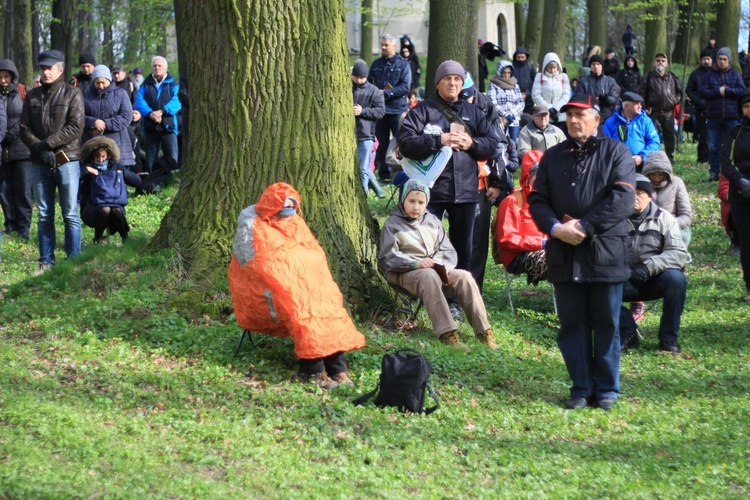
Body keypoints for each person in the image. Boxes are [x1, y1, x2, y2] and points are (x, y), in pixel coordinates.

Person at [528, 93, 636, 411]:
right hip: (564, 254)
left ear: (596, 119)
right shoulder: (553, 156)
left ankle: (606, 390)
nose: (573, 120)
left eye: (580, 114)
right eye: (569, 115)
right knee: (571, 324)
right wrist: (554, 228)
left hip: (604, 253)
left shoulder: (617, 152)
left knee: (606, 322)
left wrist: (585, 226)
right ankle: (580, 388)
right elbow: (538, 200)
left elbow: (622, 200)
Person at [228, 183, 366, 389]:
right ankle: (311, 370)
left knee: (328, 303)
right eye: (282, 215)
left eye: (290, 214)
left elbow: (312, 252)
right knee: (302, 307)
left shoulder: (294, 221)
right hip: (263, 292)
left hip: (302, 283)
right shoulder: (253, 225)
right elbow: (256, 263)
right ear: (271, 210)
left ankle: (336, 367)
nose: (287, 219)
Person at [398, 60, 498, 289]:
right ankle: (429, 292)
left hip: (465, 191)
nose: (452, 83)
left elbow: (492, 144)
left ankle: (457, 297)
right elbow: (405, 144)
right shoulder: (422, 110)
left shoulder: (474, 112)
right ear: (438, 83)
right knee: (426, 245)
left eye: (457, 79)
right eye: (447, 79)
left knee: (463, 249)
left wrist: (472, 143)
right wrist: (438, 140)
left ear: (462, 83)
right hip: (430, 192)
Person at [379, 179, 496, 352]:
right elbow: (387, 257)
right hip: (404, 273)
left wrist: (442, 266)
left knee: (464, 277)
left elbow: (447, 250)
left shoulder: (432, 221)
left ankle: (484, 331)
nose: (416, 207)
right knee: (428, 275)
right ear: (403, 199)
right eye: (411, 201)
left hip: (434, 272)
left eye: (421, 202)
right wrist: (415, 263)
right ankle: (448, 334)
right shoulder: (392, 224)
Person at [20, 50, 85, 272]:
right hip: (39, 162)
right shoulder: (32, 96)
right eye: (42, 68)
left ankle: (74, 261)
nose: (46, 72)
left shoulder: (73, 93)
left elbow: (76, 126)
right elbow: (24, 127)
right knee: (44, 213)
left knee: (70, 212)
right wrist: (38, 148)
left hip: (66, 159)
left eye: (50, 68)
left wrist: (47, 144)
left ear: (60, 69)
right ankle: (46, 260)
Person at [619, 174, 689, 353]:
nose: (635, 196)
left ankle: (668, 339)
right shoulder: (614, 219)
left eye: (640, 192)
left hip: (652, 279)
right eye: (631, 192)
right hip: (620, 279)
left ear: (650, 196)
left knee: (677, 279)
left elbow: (678, 253)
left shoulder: (665, 218)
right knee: (595, 284)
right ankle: (627, 331)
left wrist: (649, 266)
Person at [495, 149, 548, 285]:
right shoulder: (512, 201)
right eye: (538, 176)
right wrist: (541, 243)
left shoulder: (551, 200)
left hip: (550, 249)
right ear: (527, 177)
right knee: (559, 260)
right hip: (519, 256)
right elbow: (506, 239)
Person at [79, 137, 141, 243]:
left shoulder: (116, 167)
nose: (100, 160)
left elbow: (137, 181)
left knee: (115, 210)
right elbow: (72, 178)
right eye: (97, 156)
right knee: (105, 209)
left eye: (103, 156)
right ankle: (97, 239)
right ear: (91, 155)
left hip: (115, 206)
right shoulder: (85, 168)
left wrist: (122, 173)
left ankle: (125, 238)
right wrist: (86, 170)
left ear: (109, 155)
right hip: (92, 207)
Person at [720, 87, 750, 301]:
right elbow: (725, 162)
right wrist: (740, 180)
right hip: (741, 192)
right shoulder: (735, 132)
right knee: (747, 241)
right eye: (747, 106)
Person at [368, 34, 411, 182]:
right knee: (381, 142)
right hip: (380, 109)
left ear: (394, 46)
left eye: (386, 45)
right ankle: (384, 174)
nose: (383, 48)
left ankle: (399, 172)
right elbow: (368, 83)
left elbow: (405, 87)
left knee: (399, 142)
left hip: (397, 109)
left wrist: (386, 93)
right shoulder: (376, 64)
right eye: (382, 45)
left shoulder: (403, 64)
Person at [700, 47, 746, 182]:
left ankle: (732, 173)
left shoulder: (735, 75)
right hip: (714, 116)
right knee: (714, 146)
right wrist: (718, 91)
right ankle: (714, 172)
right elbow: (703, 92)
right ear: (716, 60)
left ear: (729, 61)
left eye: (724, 59)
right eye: (720, 59)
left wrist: (727, 91)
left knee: (732, 147)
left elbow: (741, 91)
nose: (722, 62)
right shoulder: (709, 75)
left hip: (732, 117)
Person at [0, 59, 32, 241]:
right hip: (2, 151)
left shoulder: (23, 92)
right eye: (0, 77)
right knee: (5, 191)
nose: (3, 80)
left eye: (6, 77)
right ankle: (10, 224)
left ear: (12, 76)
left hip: (22, 150)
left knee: (23, 190)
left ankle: (24, 228)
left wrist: (9, 134)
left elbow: (26, 119)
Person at [83, 65, 135, 170]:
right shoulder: (86, 96)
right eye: (97, 83)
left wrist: (106, 124)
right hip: (92, 141)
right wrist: (93, 122)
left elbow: (126, 116)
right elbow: (79, 116)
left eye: (103, 82)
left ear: (109, 80)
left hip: (118, 142)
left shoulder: (121, 94)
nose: (101, 86)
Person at [134, 56, 181, 171]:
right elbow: (139, 101)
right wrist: (151, 114)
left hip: (169, 126)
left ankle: (171, 181)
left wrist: (161, 112)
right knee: (151, 158)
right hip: (150, 126)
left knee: (171, 156)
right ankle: (152, 182)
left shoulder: (173, 84)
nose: (157, 68)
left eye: (160, 66)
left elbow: (177, 102)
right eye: (155, 66)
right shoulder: (145, 85)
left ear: (166, 68)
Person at [642, 150, 693, 247]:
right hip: (646, 227)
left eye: (660, 175)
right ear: (647, 174)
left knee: (682, 237)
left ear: (666, 174)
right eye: (653, 175)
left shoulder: (677, 183)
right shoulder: (640, 184)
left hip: (674, 225)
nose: (656, 179)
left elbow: (686, 215)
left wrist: (668, 225)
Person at [351, 60, 386, 197]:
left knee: (363, 168)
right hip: (350, 135)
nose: (359, 80)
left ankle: (363, 195)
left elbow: (380, 111)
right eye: (356, 77)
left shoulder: (375, 92)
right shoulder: (347, 87)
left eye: (362, 78)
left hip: (365, 135)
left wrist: (363, 111)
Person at [639, 53, 681, 164]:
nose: (660, 63)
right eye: (658, 60)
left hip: (668, 112)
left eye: (663, 60)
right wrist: (645, 107)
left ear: (666, 63)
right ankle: (653, 156)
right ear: (654, 63)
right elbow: (642, 93)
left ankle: (669, 157)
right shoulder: (648, 77)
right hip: (653, 112)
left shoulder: (672, 76)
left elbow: (679, 93)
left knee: (669, 135)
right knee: (652, 135)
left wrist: (673, 101)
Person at [602, 91, 660, 172]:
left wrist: (641, 156)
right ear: (626, 106)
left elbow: (655, 142)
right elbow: (605, 144)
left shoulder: (646, 121)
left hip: (641, 165)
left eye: (640, 104)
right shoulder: (611, 122)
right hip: (617, 165)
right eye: (637, 104)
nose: (640, 106)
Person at [575, 54, 620, 127]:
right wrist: (592, 100)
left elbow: (614, 98)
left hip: (606, 117)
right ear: (590, 66)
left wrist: (605, 100)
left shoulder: (610, 81)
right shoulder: (583, 81)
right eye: (593, 64)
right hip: (588, 115)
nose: (596, 66)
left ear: (602, 66)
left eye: (598, 64)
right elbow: (578, 97)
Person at [531, 52, 571, 134]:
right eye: (550, 68)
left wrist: (556, 109)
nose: (552, 70)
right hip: (544, 116)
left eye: (554, 68)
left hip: (561, 116)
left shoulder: (563, 77)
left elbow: (566, 95)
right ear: (546, 67)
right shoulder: (539, 77)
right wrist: (549, 109)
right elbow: (536, 95)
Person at [686, 49, 714, 164]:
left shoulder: (716, 73)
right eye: (704, 59)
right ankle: (702, 157)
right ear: (701, 60)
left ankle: (713, 156)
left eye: (708, 59)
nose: (706, 61)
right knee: (702, 133)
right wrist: (697, 101)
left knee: (714, 134)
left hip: (714, 108)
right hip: (700, 108)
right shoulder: (695, 74)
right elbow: (689, 90)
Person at [487, 61, 524, 142]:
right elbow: (492, 101)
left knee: (513, 143)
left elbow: (520, 103)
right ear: (500, 72)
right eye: (504, 72)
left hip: (514, 120)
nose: (506, 75)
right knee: (501, 142)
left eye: (509, 72)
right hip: (499, 119)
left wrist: (512, 113)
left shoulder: (515, 85)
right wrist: (505, 114)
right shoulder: (493, 85)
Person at [511, 46, 536, 114]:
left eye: (522, 57)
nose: (521, 59)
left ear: (526, 57)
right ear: (515, 57)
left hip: (529, 101)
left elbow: (536, 83)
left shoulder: (530, 67)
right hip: (514, 100)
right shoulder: (511, 67)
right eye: (518, 57)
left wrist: (527, 94)